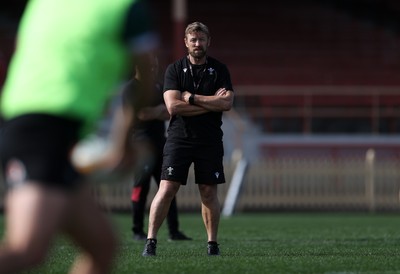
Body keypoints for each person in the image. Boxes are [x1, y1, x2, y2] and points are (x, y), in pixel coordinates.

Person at [0, 0, 158, 273]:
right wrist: (123, 142)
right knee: (26, 249)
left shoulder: (43, 4)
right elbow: (146, 78)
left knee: (102, 247)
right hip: (41, 130)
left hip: (40, 126)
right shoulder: (126, 10)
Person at [142, 21, 234, 257]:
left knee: (208, 191)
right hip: (179, 138)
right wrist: (210, 104)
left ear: (208, 42)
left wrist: (191, 98)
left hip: (210, 139)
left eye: (201, 39)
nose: (197, 43)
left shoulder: (220, 69)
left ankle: (212, 244)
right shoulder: (174, 70)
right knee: (167, 188)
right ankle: (150, 241)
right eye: (193, 39)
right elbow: (173, 107)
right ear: (186, 42)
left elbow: (227, 103)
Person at [121, 54, 191, 241]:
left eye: (154, 66)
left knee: (167, 187)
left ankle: (173, 231)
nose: (152, 70)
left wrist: (158, 111)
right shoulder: (130, 89)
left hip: (161, 143)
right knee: (140, 188)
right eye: (149, 66)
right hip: (141, 145)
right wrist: (159, 111)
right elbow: (141, 114)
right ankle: (137, 230)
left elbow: (171, 112)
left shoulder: (159, 87)